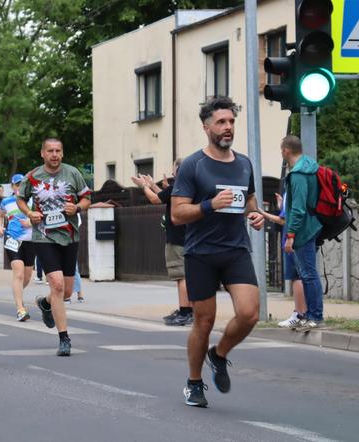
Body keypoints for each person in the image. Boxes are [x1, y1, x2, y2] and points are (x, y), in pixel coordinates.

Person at [171, 96, 264, 408]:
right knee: (204, 321)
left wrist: (255, 214)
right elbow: (177, 214)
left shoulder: (244, 163)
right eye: (221, 122)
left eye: (231, 122)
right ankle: (194, 382)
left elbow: (249, 202)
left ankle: (219, 354)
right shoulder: (192, 165)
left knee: (250, 313)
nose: (228, 128)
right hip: (201, 253)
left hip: (236, 248)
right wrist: (210, 204)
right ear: (206, 127)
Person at [17, 138, 92, 356]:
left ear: (62, 153)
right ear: (43, 153)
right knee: (57, 285)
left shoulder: (72, 173)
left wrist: (77, 207)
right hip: (44, 237)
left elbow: (86, 198)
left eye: (58, 150)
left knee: (66, 291)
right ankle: (64, 338)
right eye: (50, 151)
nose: (54, 154)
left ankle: (45, 303)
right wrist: (29, 213)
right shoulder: (33, 176)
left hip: (69, 237)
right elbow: (21, 199)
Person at [132, 162, 193, 326]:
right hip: (190, 237)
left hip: (178, 238)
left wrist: (144, 186)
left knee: (181, 276)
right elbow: (164, 196)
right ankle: (187, 310)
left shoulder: (179, 186)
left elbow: (154, 199)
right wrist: (152, 184)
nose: (173, 174)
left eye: (175, 170)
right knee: (187, 275)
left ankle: (185, 312)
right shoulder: (188, 187)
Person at [280, 135, 324, 331]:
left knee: (308, 274)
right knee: (308, 273)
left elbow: (298, 209)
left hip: (303, 231)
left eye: (282, 151)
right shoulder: (310, 166)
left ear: (286, 151)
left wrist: (290, 235)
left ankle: (314, 315)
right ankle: (310, 314)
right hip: (311, 226)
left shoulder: (298, 174)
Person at [259, 191, 306, 327]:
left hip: (292, 239)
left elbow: (283, 220)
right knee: (301, 276)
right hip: (300, 237)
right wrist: (281, 206)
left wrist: (263, 213)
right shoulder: (295, 189)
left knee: (296, 277)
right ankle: (305, 313)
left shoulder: (293, 187)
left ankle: (299, 314)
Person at [0, 173, 35, 321]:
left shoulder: (33, 201)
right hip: (12, 239)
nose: (19, 187)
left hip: (31, 240)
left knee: (27, 276)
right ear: (12, 186)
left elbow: (41, 218)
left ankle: (17, 294)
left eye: (22, 184)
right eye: (17, 184)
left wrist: (31, 223)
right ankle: (20, 309)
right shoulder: (7, 201)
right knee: (18, 273)